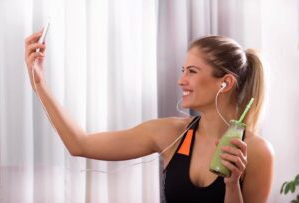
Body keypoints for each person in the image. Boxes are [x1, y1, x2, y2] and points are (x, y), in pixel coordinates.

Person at [25, 32, 274, 203]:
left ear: (225, 83)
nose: (181, 80)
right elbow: (80, 144)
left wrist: (232, 186)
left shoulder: (257, 151)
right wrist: (39, 84)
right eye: (182, 70)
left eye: (192, 71)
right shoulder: (170, 134)